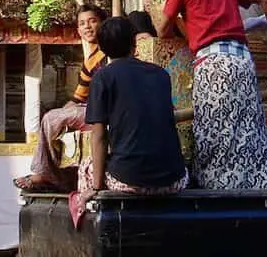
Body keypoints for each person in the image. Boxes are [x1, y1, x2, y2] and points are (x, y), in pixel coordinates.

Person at [158, 0, 267, 190]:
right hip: (243, 61)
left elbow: (163, 27)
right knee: (247, 125)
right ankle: (257, 186)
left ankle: (217, 188)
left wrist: (178, 25)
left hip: (212, 62)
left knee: (214, 126)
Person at [77, 16, 188, 203]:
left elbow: (99, 136)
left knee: (86, 166)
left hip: (130, 181)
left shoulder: (102, 77)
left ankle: (93, 221)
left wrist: (96, 187)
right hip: (175, 181)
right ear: (134, 44)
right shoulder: (161, 74)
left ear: (102, 49)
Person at [14, 4, 107, 191]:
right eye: (82, 24)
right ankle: (62, 177)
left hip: (103, 112)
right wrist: (62, 113)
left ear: (103, 24)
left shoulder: (109, 54)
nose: (87, 27)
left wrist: (56, 117)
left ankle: (44, 175)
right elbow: (78, 97)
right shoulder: (90, 61)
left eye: (92, 21)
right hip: (88, 110)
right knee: (53, 118)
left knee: (51, 118)